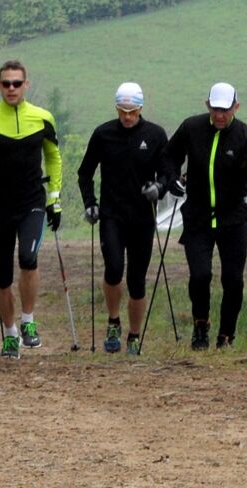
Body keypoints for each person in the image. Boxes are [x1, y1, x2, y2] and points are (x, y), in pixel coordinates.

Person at [161, 82, 247, 350]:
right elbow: (169, 156)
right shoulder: (191, 128)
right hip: (197, 216)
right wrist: (170, 179)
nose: (220, 115)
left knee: (232, 280)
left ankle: (226, 335)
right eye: (215, 109)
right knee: (200, 275)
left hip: (233, 218)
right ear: (207, 105)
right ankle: (201, 325)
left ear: (236, 106)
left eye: (225, 110)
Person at [0, 60, 62, 359]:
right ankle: (9, 333)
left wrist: (54, 198)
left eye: (17, 83)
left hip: (31, 202)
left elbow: (54, 159)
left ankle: (28, 321)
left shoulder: (43, 118)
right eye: (6, 83)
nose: (11, 88)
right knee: (2, 276)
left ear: (26, 85)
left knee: (28, 258)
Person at [77, 83, 168, 355]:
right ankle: (114, 321)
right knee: (114, 269)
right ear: (116, 108)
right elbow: (85, 173)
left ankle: (134, 335)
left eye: (132, 111)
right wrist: (90, 204)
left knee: (137, 279)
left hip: (142, 217)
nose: (127, 117)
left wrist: (159, 188)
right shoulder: (103, 133)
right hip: (111, 214)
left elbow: (167, 172)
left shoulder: (155, 134)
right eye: (122, 111)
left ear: (141, 108)